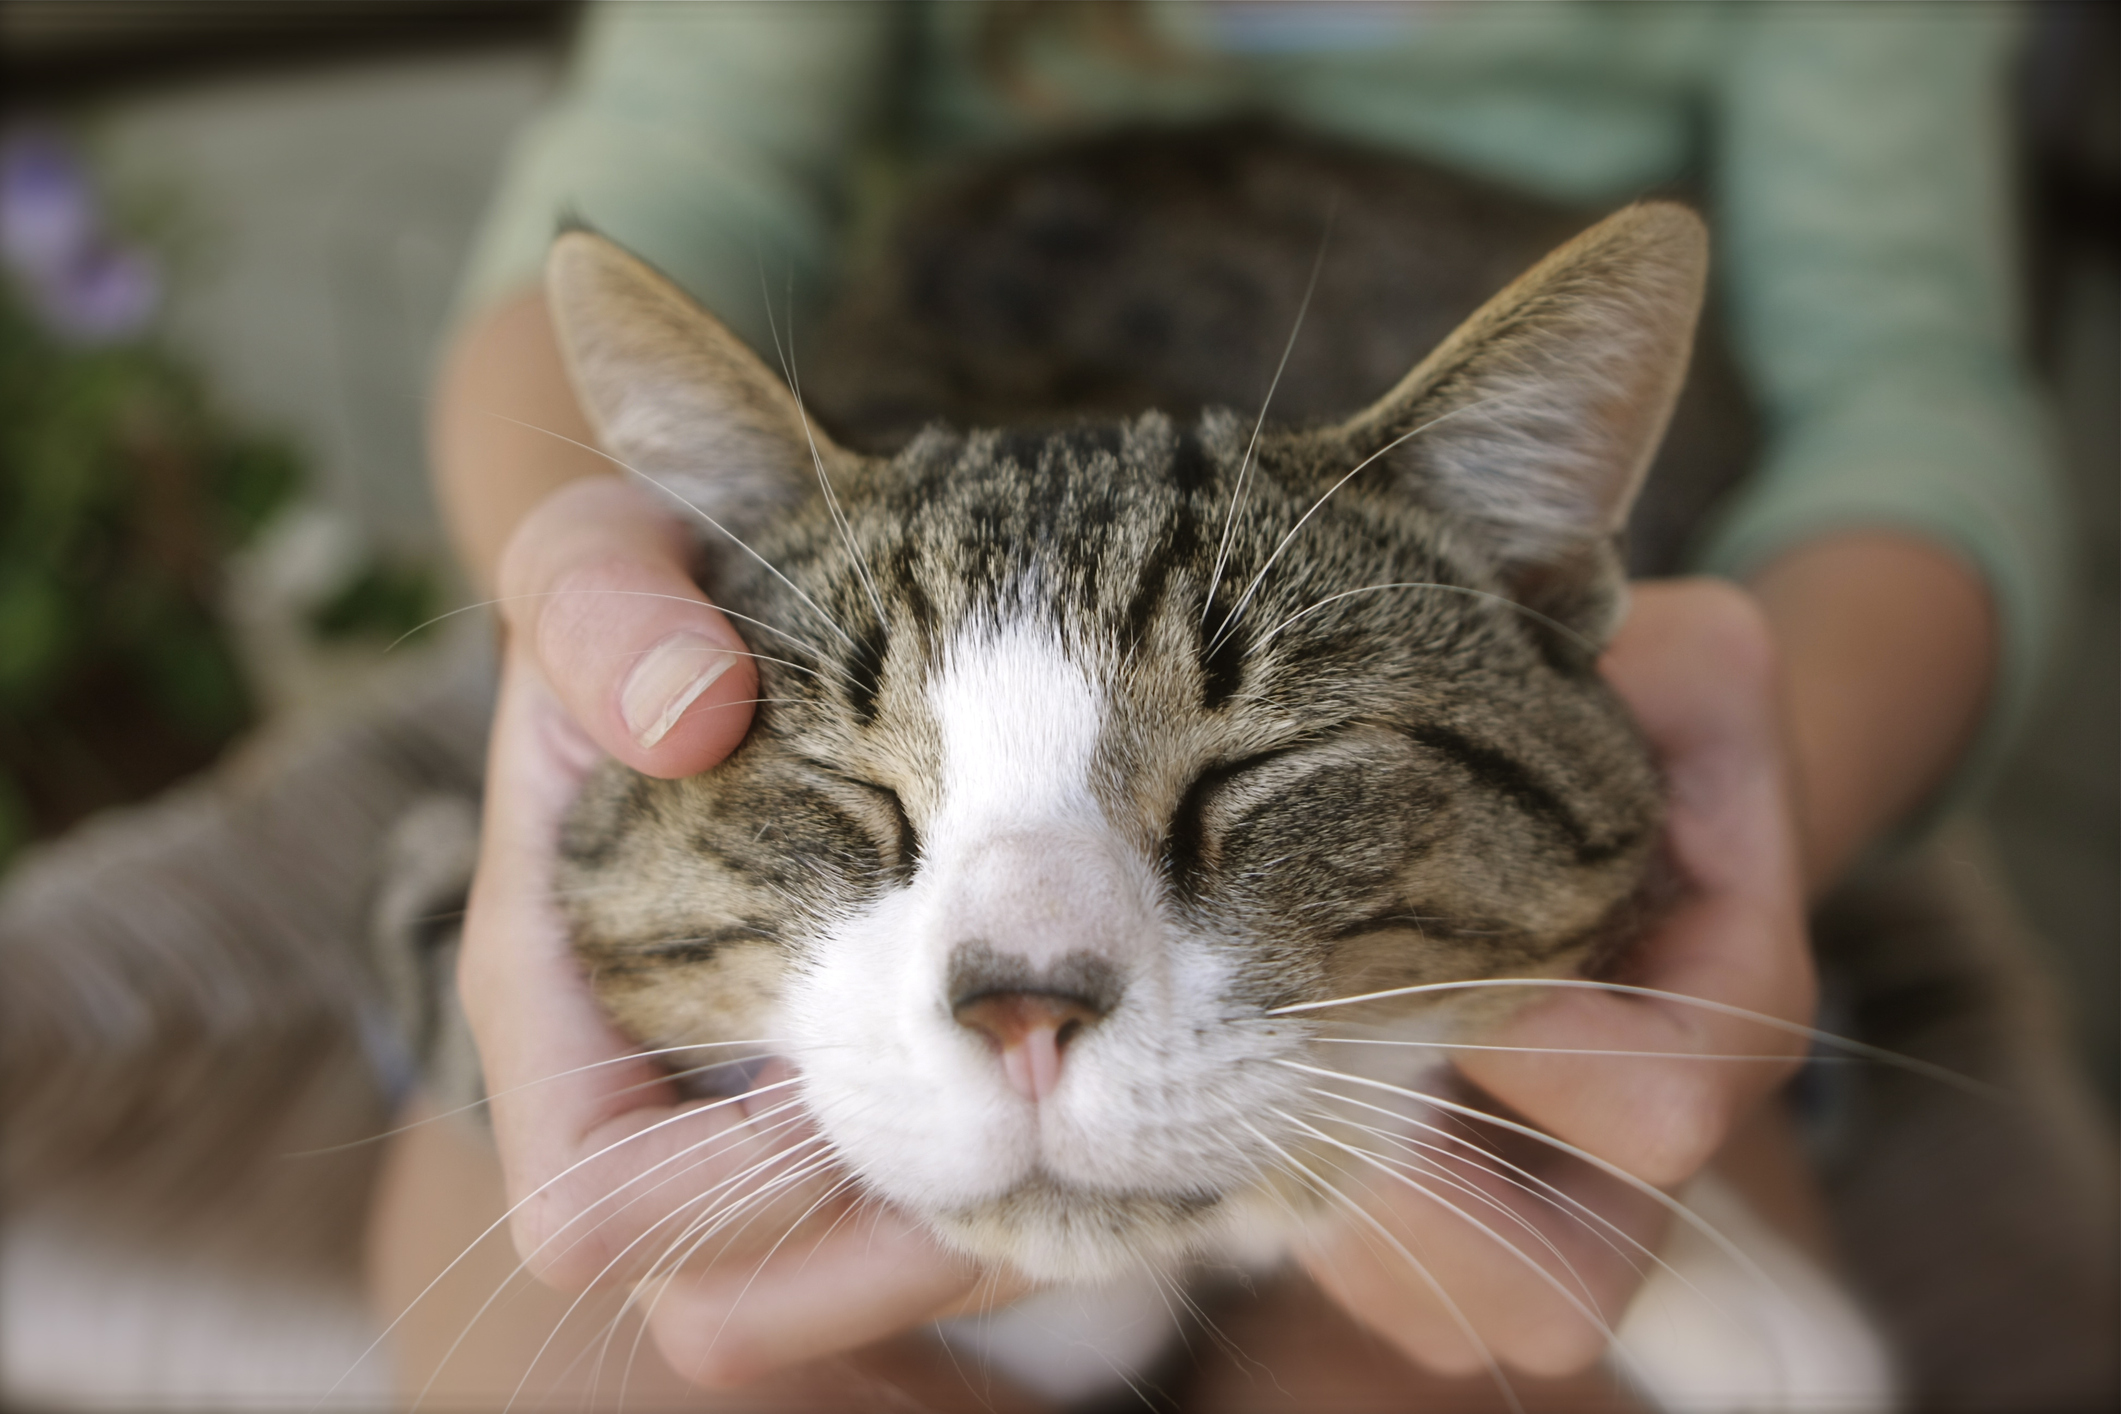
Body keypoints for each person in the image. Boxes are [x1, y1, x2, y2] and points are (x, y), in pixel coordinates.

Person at [399, 2, 2062, 1402]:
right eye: (863, 805)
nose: (1025, 1002)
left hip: (1508, 573)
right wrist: (577, 594)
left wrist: (1751, 819)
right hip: (887, 461)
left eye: (1244, 777)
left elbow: (1901, 393)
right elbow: (647, 191)